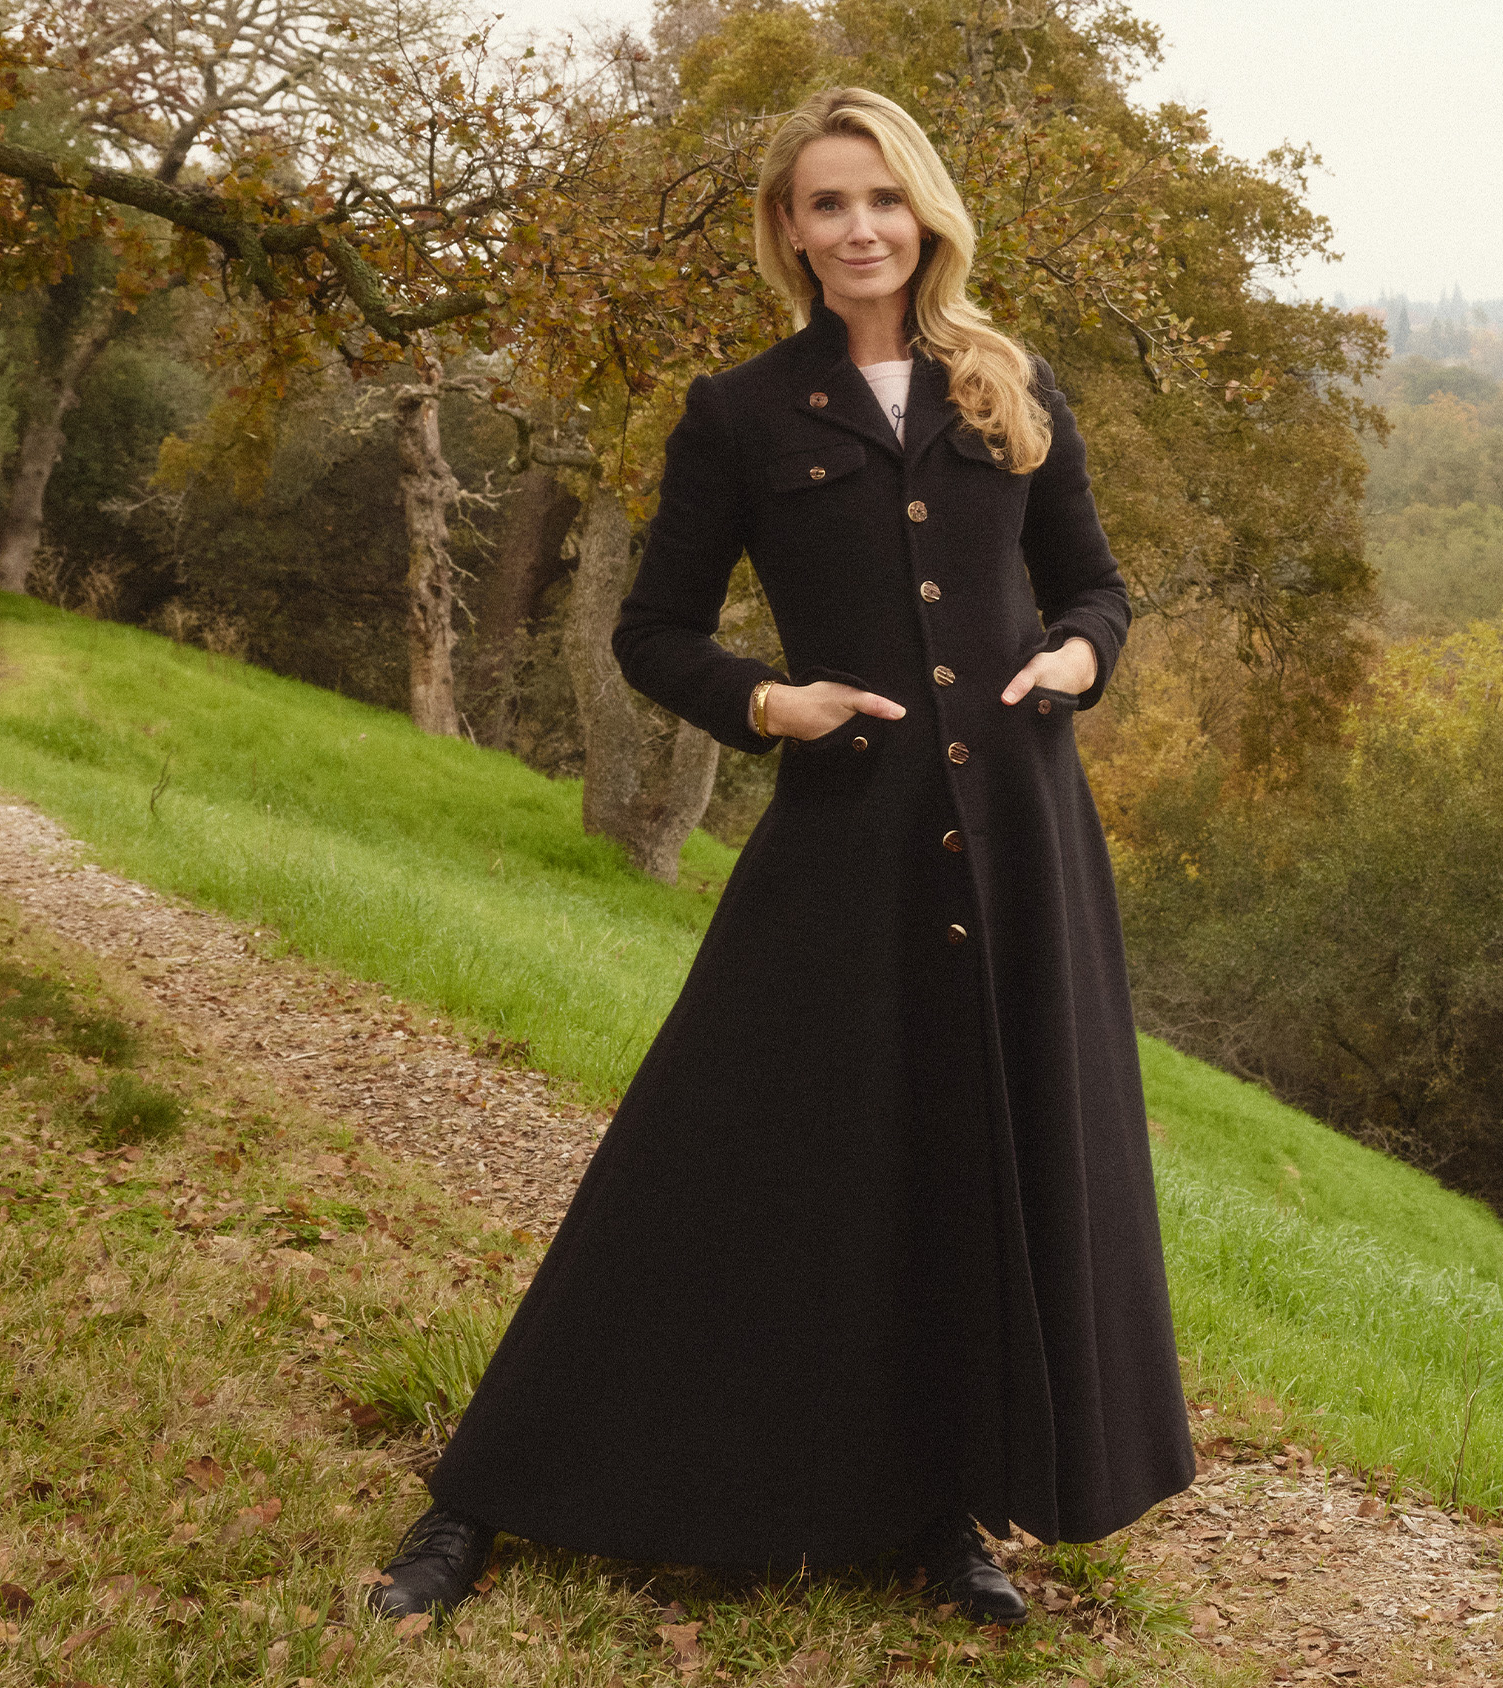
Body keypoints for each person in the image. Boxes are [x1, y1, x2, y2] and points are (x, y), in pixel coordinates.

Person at [365, 86, 1194, 1627]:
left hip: (1017, 841)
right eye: (827, 204)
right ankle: (483, 1494)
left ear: (925, 211)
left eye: (882, 198)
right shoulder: (739, 413)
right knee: (702, 1156)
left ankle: (937, 1512)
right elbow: (651, 630)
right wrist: (768, 700)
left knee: (969, 1162)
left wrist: (1081, 660)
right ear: (790, 230)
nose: (859, 227)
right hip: (844, 840)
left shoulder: (1011, 385)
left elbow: (1094, 587)